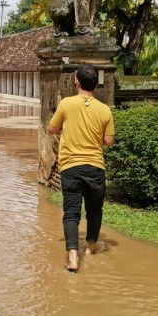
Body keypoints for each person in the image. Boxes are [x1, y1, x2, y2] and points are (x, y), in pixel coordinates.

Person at [47, 64, 115, 272]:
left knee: (71, 213)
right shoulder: (104, 110)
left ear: (76, 82)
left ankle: (73, 259)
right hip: (95, 167)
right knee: (94, 211)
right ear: (96, 84)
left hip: (71, 166)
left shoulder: (66, 104)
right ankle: (90, 250)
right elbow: (109, 141)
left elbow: (51, 128)